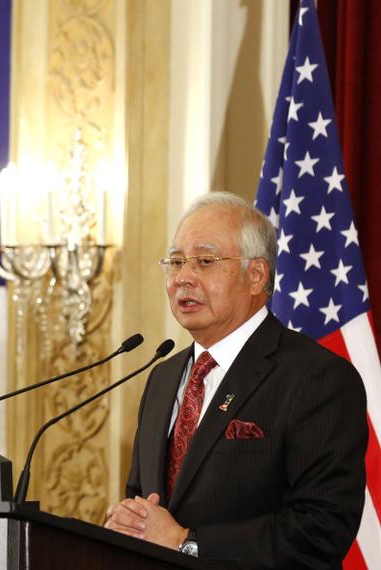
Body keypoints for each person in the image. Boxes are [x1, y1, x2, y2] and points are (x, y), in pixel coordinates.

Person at [104, 192, 367, 568]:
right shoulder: (163, 376)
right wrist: (128, 522)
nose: (182, 278)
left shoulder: (316, 377)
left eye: (205, 261)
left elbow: (321, 528)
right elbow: (144, 499)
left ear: (256, 275)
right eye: (175, 262)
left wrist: (186, 542)